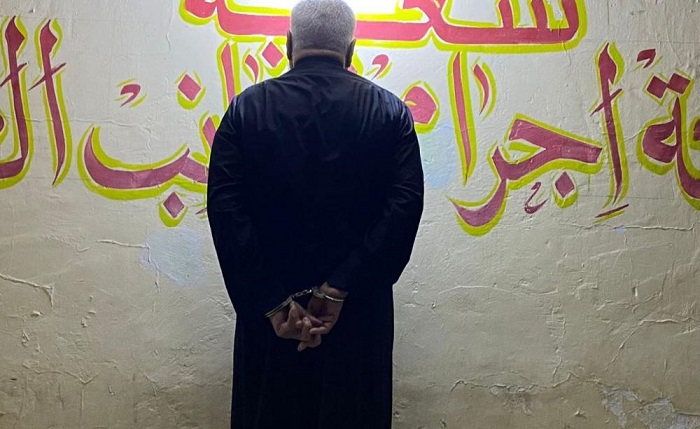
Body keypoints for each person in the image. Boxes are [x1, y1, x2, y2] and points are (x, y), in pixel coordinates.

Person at [207, 0, 424, 427]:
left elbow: (227, 213)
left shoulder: (244, 111)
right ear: (351, 49)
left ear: (289, 44)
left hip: (272, 327)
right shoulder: (391, 112)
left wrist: (272, 303)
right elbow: (404, 209)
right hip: (357, 321)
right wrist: (339, 287)